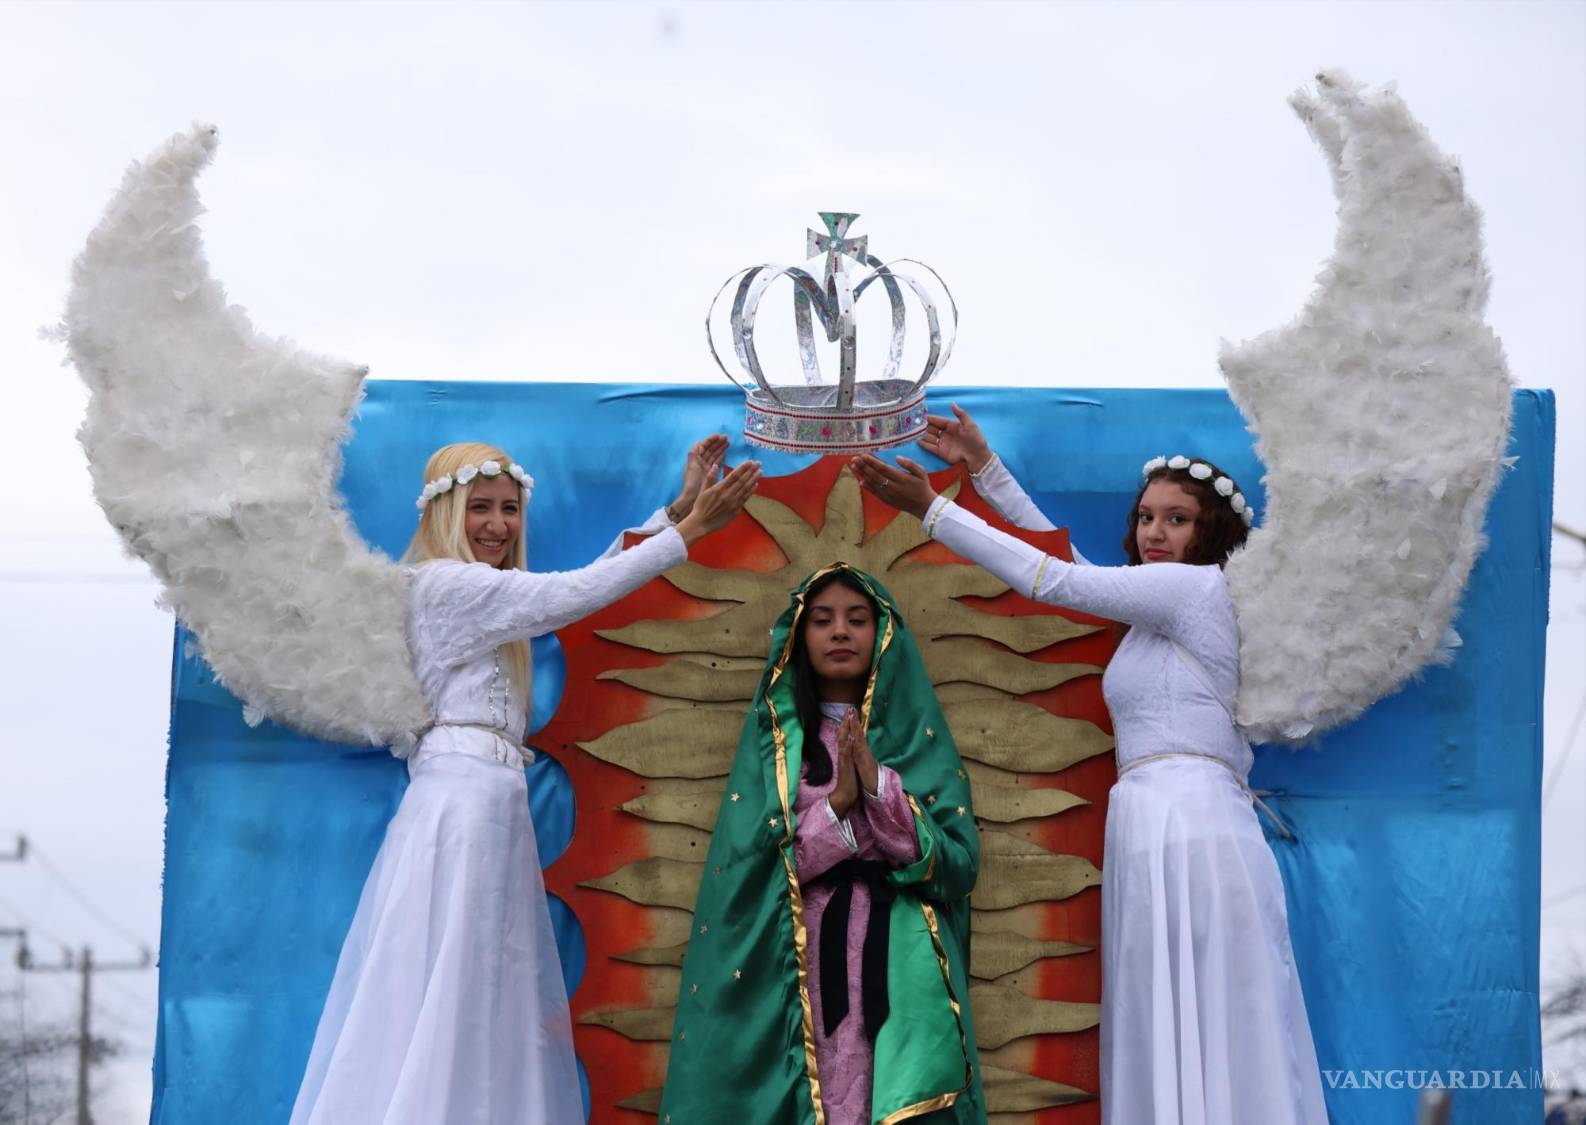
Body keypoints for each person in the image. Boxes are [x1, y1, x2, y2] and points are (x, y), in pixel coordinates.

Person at [853, 406, 1327, 1125]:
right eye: (1146, 518)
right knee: (1163, 1012)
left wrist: (933, 509)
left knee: (1210, 1013)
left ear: (1213, 533)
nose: (1155, 532)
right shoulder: (1152, 612)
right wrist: (984, 470)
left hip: (1191, 820)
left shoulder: (1195, 590)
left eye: (1177, 519)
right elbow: (1070, 568)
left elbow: (1051, 580)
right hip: (1152, 819)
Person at [290, 437, 760, 1125]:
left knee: (481, 988)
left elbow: (574, 586)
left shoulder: (477, 592)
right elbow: (568, 595)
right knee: (454, 983)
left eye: (509, 509)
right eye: (479, 507)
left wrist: (673, 513)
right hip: (464, 805)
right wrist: (687, 534)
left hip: (485, 805)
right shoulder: (446, 584)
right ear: (446, 512)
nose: (497, 524)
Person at [660, 564, 985, 1125]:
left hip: (898, 956)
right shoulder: (778, 746)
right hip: (800, 953)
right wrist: (837, 803)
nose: (840, 632)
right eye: (824, 620)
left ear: (881, 636)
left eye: (857, 620)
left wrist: (880, 787)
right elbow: (754, 868)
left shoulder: (915, 741)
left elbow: (957, 864)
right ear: (799, 637)